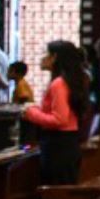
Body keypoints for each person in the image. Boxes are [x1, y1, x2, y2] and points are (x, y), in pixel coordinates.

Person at [24, 40, 87, 185]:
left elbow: (59, 119)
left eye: (46, 54)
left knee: (57, 193)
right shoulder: (68, 81)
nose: (42, 58)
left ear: (55, 57)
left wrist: (30, 112)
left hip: (58, 144)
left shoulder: (59, 83)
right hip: (67, 142)